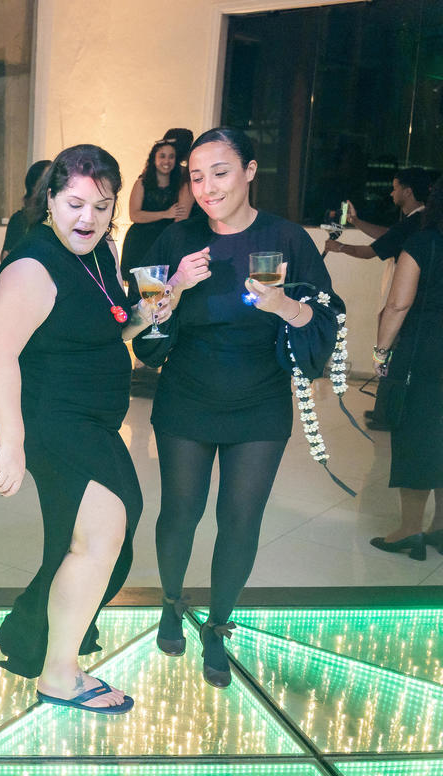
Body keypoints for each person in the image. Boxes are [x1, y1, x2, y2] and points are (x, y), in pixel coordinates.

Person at [133, 127, 344, 689]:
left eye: (220, 173)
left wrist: (283, 306)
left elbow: (326, 321)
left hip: (259, 400)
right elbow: (144, 332)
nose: (207, 188)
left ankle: (218, 625)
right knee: (180, 512)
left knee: (241, 519)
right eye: (197, 177)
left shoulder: (287, 238)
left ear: (250, 171)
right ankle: (171, 602)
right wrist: (176, 287)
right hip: (187, 394)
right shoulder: (177, 239)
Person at [0, 144, 169, 715]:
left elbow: (112, 327)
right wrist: (12, 444)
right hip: (56, 422)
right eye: (74, 204)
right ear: (50, 200)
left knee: (101, 537)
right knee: (99, 539)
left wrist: (146, 315)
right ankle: (59, 673)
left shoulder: (100, 253)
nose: (88, 218)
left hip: (94, 423)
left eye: (101, 206)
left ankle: (46, 649)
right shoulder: (32, 265)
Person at [369, 174, 443, 560]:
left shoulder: (423, 242)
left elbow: (398, 304)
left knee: (417, 438)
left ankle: (410, 530)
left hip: (425, 353)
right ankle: (440, 528)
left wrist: (380, 352)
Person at [324, 167, 430, 431]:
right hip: (409, 302)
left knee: (390, 353)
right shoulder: (416, 221)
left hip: (404, 300)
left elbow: (371, 251)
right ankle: (384, 410)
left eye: (395, 188)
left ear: (407, 191)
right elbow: (387, 235)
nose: (391, 193)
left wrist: (339, 247)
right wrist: (357, 221)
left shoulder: (416, 222)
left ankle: (387, 414)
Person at [0, 159, 52, 435]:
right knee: (9, 354)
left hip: (44, 299)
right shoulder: (20, 219)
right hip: (19, 296)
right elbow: (6, 255)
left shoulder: (54, 220)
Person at [120, 138, 189, 275]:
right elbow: (134, 215)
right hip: (140, 241)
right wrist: (165, 214)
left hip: (164, 241)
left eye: (171, 157)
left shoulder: (180, 185)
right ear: (154, 159)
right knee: (138, 284)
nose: (167, 161)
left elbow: (181, 218)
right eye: (162, 156)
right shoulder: (141, 183)